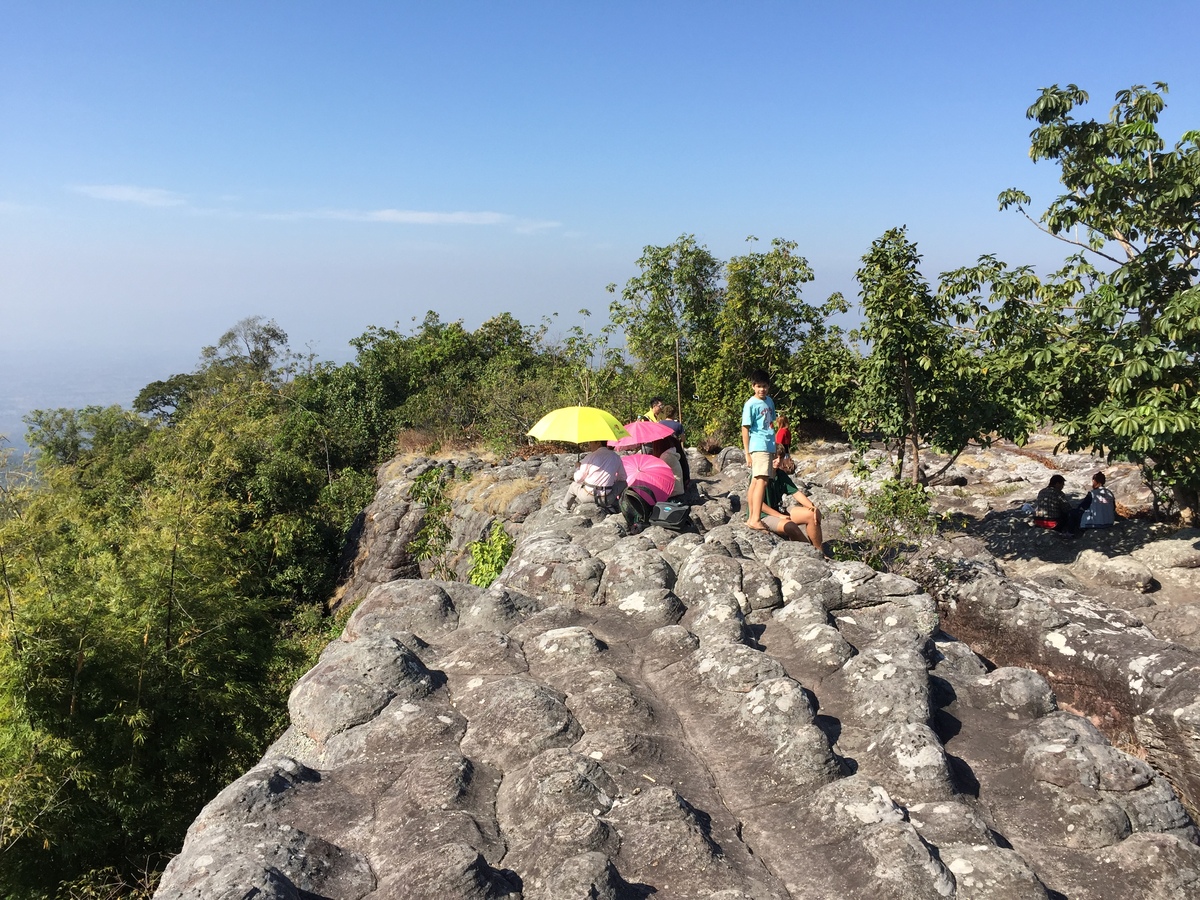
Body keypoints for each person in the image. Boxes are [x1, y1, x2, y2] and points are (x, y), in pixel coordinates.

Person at [766, 451, 824, 553]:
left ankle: (820, 551)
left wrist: (812, 507)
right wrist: (779, 516)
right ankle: (811, 552)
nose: (778, 461)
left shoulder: (780, 474)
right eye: (775, 457)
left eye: (781, 458)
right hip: (764, 515)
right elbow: (757, 505)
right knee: (790, 526)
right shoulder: (761, 475)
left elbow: (796, 493)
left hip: (778, 510)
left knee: (811, 514)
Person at [741, 370, 776, 530]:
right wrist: (747, 453)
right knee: (761, 480)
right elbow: (745, 429)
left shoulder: (769, 401)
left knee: (757, 481)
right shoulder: (750, 404)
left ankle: (750, 518)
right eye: (759, 386)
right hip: (758, 445)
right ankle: (755, 518)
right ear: (753, 387)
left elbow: (771, 423)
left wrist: (774, 447)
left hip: (768, 444)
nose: (762, 389)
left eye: (764, 386)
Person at [562, 440, 627, 512]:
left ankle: (564, 506)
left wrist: (578, 468)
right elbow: (623, 477)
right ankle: (620, 506)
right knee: (623, 483)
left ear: (598, 443)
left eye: (591, 443)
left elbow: (578, 479)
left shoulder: (590, 456)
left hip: (587, 497)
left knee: (573, 485)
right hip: (607, 498)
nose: (589, 445)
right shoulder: (616, 457)